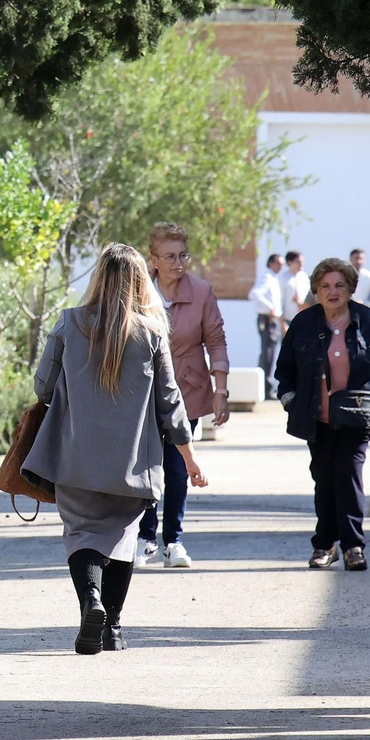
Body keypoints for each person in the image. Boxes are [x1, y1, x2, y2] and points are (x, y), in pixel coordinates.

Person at [24, 243, 206, 655]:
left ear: (98, 278)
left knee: (81, 533)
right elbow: (170, 402)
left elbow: (43, 387)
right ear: (141, 281)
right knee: (122, 536)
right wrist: (189, 457)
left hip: (73, 457)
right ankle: (114, 629)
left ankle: (90, 601)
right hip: (132, 463)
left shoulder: (69, 323)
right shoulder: (152, 332)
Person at [275, 258, 370, 572]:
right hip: (315, 417)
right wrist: (290, 399)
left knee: (348, 477)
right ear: (316, 291)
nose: (332, 292)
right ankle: (325, 544)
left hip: (356, 417)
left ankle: (353, 546)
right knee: (323, 480)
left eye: (339, 285)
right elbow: (284, 370)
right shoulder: (303, 323)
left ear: (350, 289)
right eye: (325, 286)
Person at [137, 223, 228, 569]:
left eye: (183, 255)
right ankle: (145, 538)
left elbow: (216, 341)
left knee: (177, 467)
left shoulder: (202, 292)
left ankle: (173, 541)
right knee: (147, 466)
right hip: (144, 392)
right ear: (154, 259)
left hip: (185, 390)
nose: (178, 262)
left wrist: (221, 390)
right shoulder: (139, 292)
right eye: (170, 256)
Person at [249, 253, 285, 397]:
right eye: (278, 263)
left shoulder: (273, 278)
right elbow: (254, 294)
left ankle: (265, 385)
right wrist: (270, 307)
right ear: (271, 263)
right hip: (267, 319)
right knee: (267, 353)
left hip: (273, 319)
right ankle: (265, 387)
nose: (281, 267)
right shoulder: (267, 277)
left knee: (269, 352)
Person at [278, 250, 309, 329]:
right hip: (288, 319)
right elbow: (278, 301)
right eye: (298, 261)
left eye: (302, 261)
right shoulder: (283, 279)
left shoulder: (304, 277)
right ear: (290, 262)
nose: (301, 264)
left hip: (304, 319)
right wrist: (282, 323)